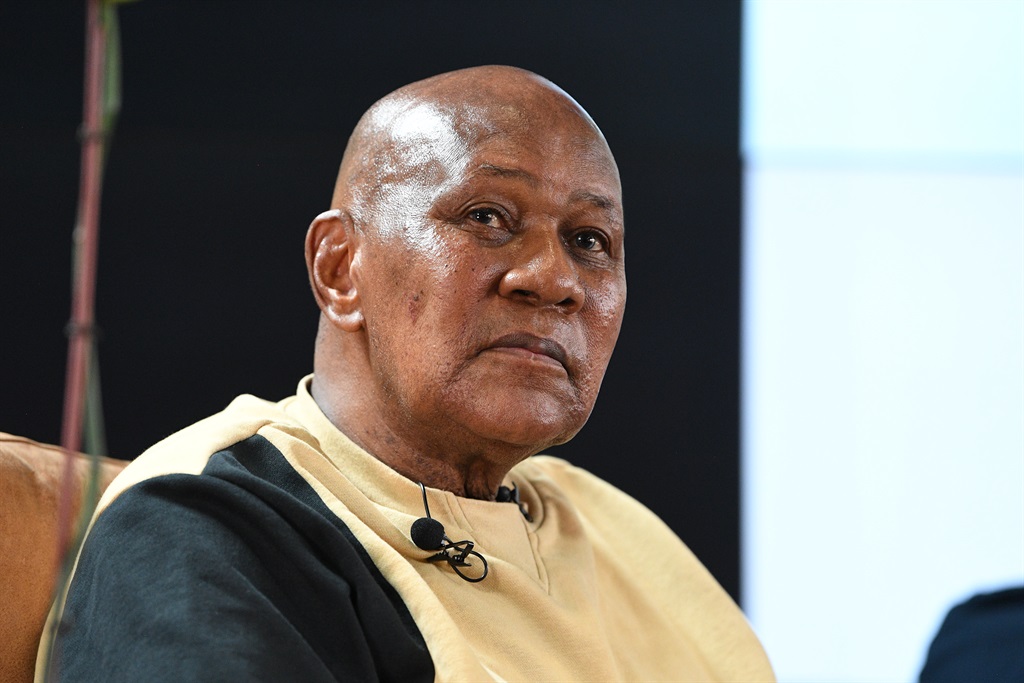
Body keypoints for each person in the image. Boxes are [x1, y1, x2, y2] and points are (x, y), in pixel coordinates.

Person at [41, 65, 774, 682]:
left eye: (589, 239)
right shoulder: (204, 528)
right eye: (488, 216)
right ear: (340, 268)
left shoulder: (616, 529)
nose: (555, 278)